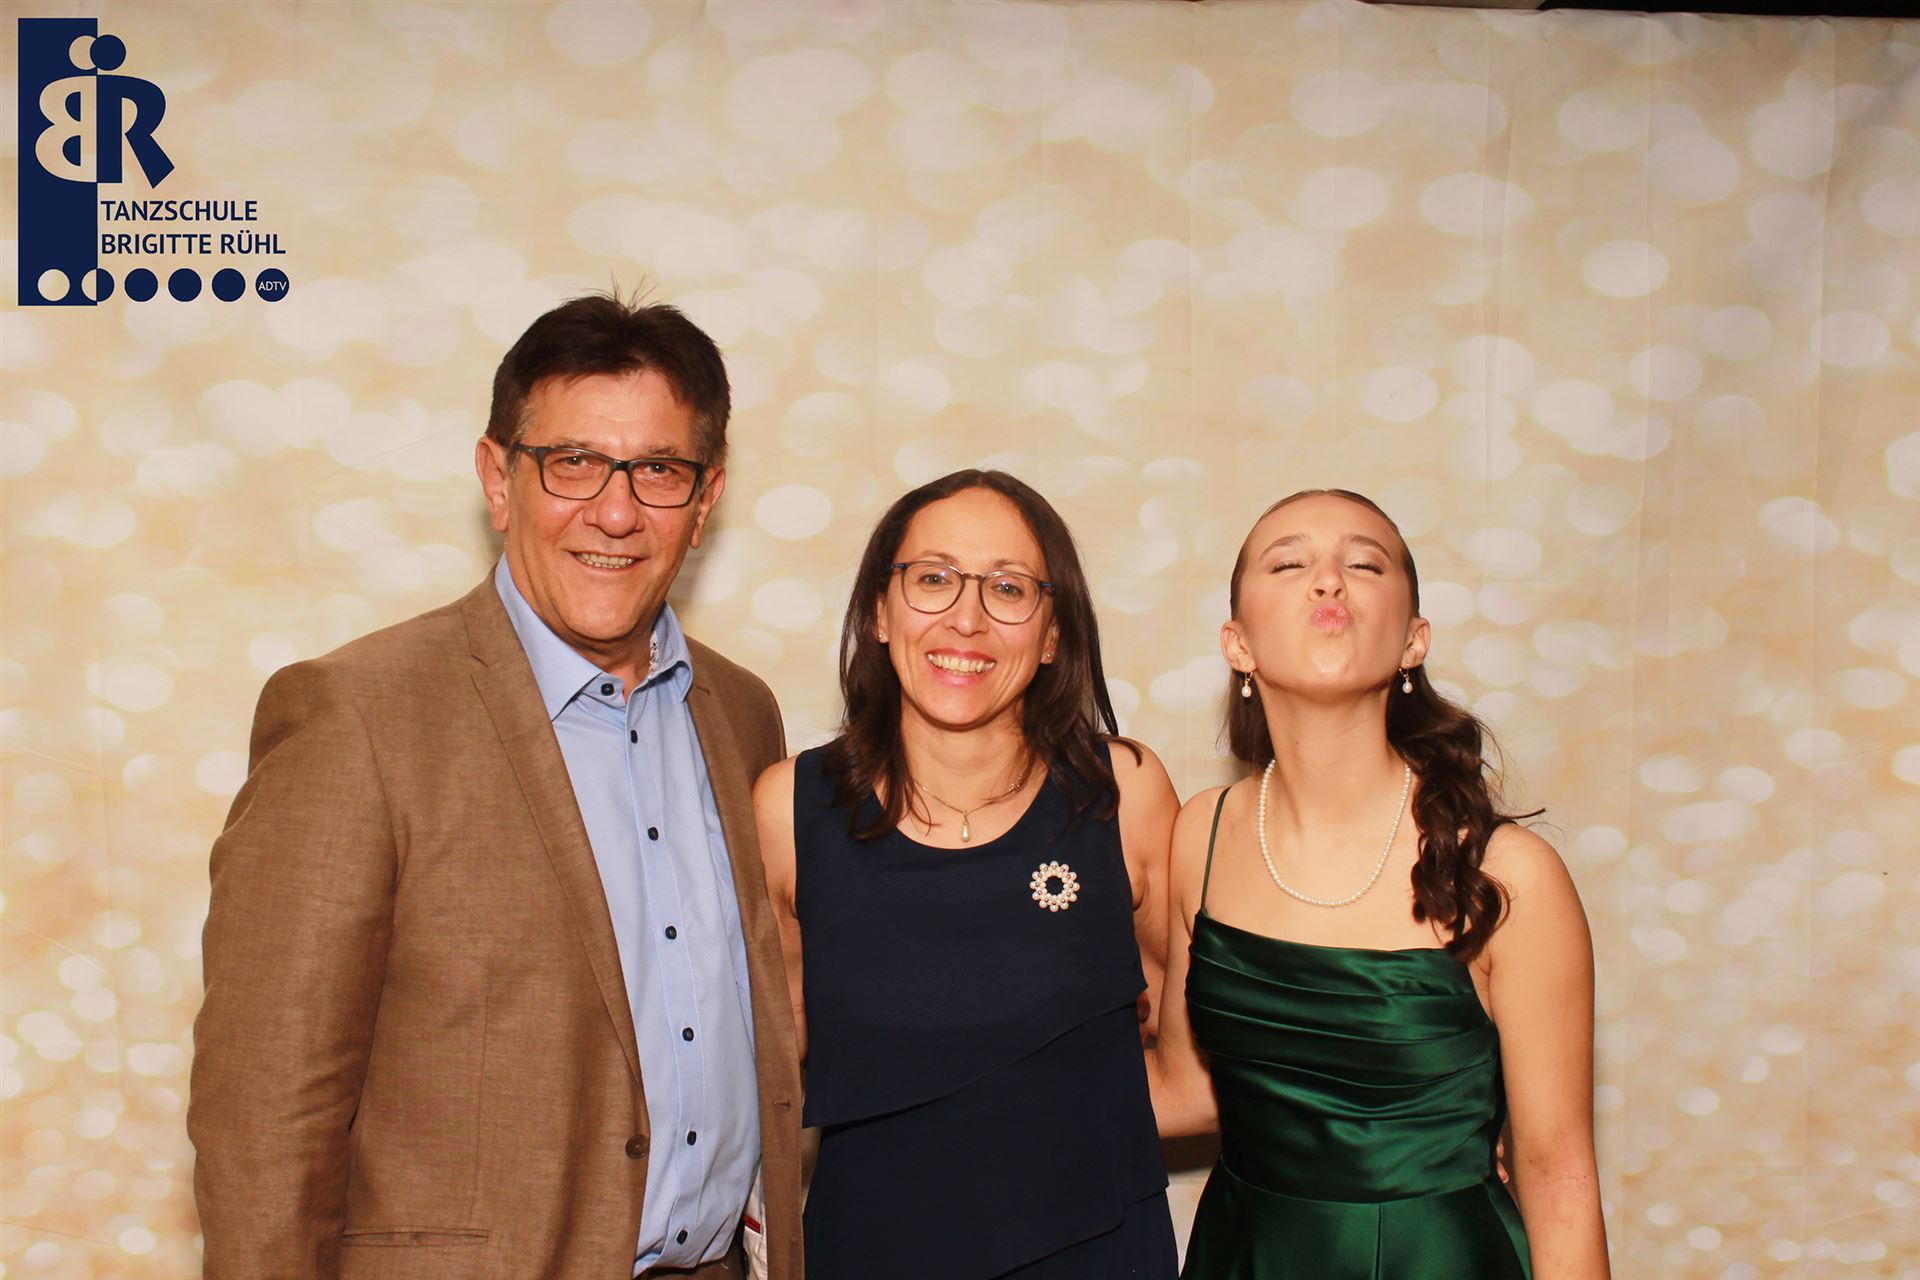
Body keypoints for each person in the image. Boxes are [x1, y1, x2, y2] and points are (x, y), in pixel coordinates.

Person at [188, 295, 803, 1280]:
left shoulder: (741, 714)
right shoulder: (358, 717)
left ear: (705, 500)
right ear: (497, 477)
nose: (615, 511)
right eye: (574, 462)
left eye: (658, 470)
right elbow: (267, 1107)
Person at [1150, 489, 1609, 1279]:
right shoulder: (1203, 833)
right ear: (1237, 644)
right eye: (1289, 564)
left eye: (1364, 564)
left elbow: (1558, 1176)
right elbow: (1183, 1090)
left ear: (1413, 640)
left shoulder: (1510, 876)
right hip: (1245, 1256)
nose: (1329, 579)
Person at [753, 470, 1180, 1278]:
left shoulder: (1125, 794)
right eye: (934, 578)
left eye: (1008, 588)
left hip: (1096, 1252)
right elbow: (771, 1065)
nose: (967, 618)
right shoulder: (788, 810)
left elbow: (1193, 1047)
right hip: (869, 1252)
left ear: (1052, 635)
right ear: (880, 611)